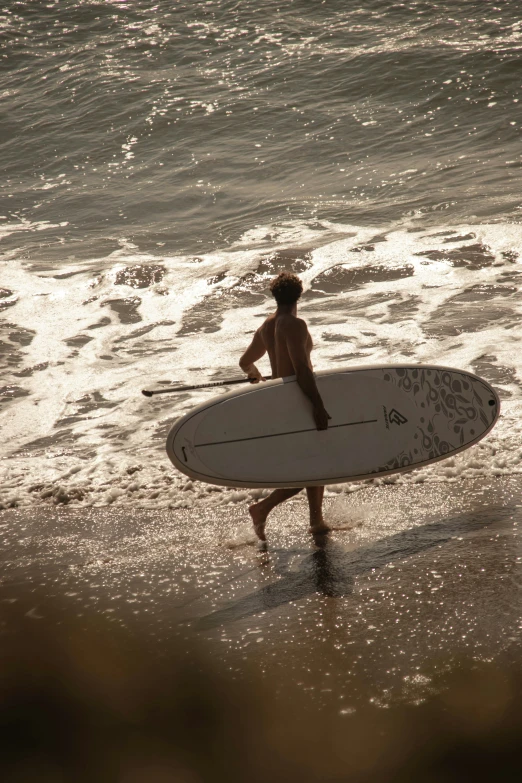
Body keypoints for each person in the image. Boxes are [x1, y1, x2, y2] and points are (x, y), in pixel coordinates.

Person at [239, 271, 331, 542]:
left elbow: (245, 361)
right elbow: (301, 369)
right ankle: (262, 508)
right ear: (299, 294)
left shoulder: (266, 326)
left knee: (314, 458)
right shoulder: (295, 324)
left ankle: (316, 520)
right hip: (299, 398)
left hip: (282, 399)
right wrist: (318, 405)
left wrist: (257, 377)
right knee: (313, 463)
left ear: (275, 296)